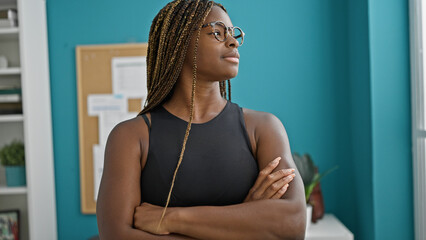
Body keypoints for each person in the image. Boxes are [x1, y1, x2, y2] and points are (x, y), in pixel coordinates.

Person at [96, 0, 306, 239]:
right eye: (217, 32)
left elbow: (294, 224)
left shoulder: (264, 128)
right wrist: (244, 221)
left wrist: (170, 218)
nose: (233, 41)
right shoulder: (131, 136)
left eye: (233, 33)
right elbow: (116, 236)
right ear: (180, 42)